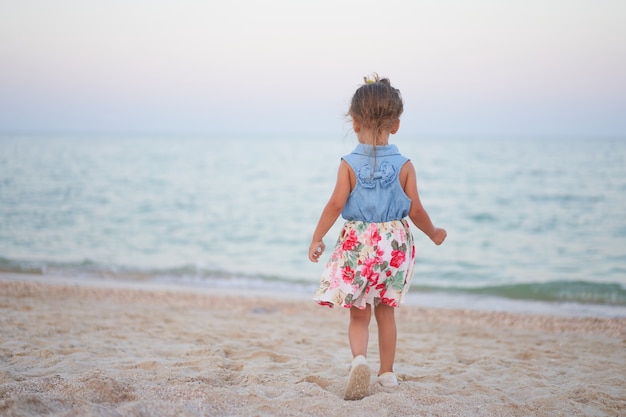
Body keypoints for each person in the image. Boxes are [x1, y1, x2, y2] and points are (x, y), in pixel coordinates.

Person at [308, 73, 447, 401]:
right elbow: (416, 211)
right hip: (394, 247)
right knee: (386, 311)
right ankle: (386, 374)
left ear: (354, 123)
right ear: (395, 125)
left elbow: (335, 204)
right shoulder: (405, 165)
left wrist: (317, 237)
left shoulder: (348, 164)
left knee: (359, 312)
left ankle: (359, 360)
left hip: (359, 245)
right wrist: (434, 233)